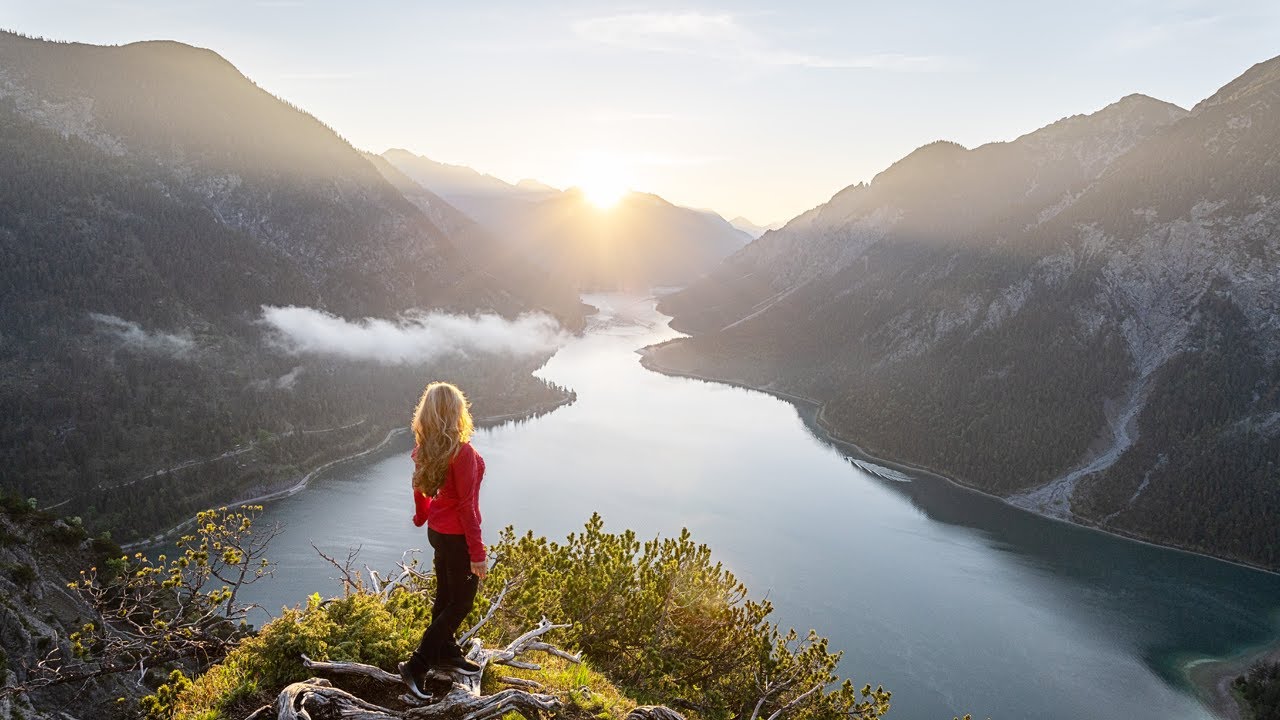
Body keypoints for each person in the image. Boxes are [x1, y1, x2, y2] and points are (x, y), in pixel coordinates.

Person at [398, 381, 487, 697]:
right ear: (456, 412)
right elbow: (467, 507)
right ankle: (417, 665)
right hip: (457, 538)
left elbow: (418, 486)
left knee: (446, 595)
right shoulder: (462, 453)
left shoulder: (426, 448)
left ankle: (447, 653)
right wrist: (477, 553)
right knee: (461, 603)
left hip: (437, 532)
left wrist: (422, 515)